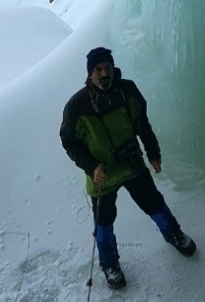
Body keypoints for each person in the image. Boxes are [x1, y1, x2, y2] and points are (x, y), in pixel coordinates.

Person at [60, 47, 196, 290]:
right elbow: (68, 142)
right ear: (90, 74)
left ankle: (174, 234)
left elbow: (142, 123)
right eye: (98, 69)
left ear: (113, 69)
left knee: (154, 203)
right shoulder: (77, 106)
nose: (104, 74)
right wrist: (91, 167)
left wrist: (153, 153)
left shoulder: (127, 91)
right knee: (104, 223)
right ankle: (110, 264)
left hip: (131, 164)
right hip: (101, 176)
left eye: (107, 68)